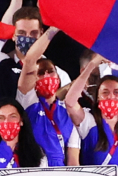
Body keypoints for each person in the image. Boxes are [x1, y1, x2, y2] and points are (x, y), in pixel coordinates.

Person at [16, 26, 80, 167]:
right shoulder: (27, 101)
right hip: (32, 169)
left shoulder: (68, 111)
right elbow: (30, 61)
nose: (46, 76)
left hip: (59, 174)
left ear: (58, 77)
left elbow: (73, 161)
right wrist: (53, 29)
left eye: (50, 71)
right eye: (41, 73)